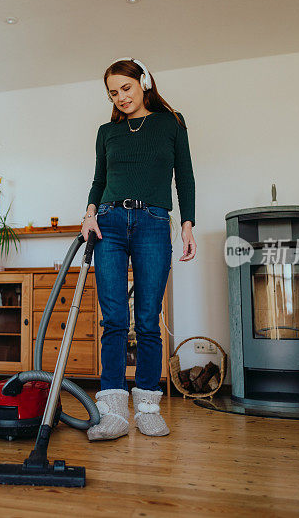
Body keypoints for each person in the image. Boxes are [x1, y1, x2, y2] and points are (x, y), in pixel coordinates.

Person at [81, 57, 196, 440]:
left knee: (148, 319)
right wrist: (89, 214)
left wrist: (187, 225)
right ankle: (112, 412)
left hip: (152, 223)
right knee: (114, 320)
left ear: (143, 82)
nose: (121, 97)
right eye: (113, 93)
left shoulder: (171, 122)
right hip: (109, 224)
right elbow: (100, 180)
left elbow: (186, 177)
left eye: (126, 88)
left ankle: (147, 407)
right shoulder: (106, 132)